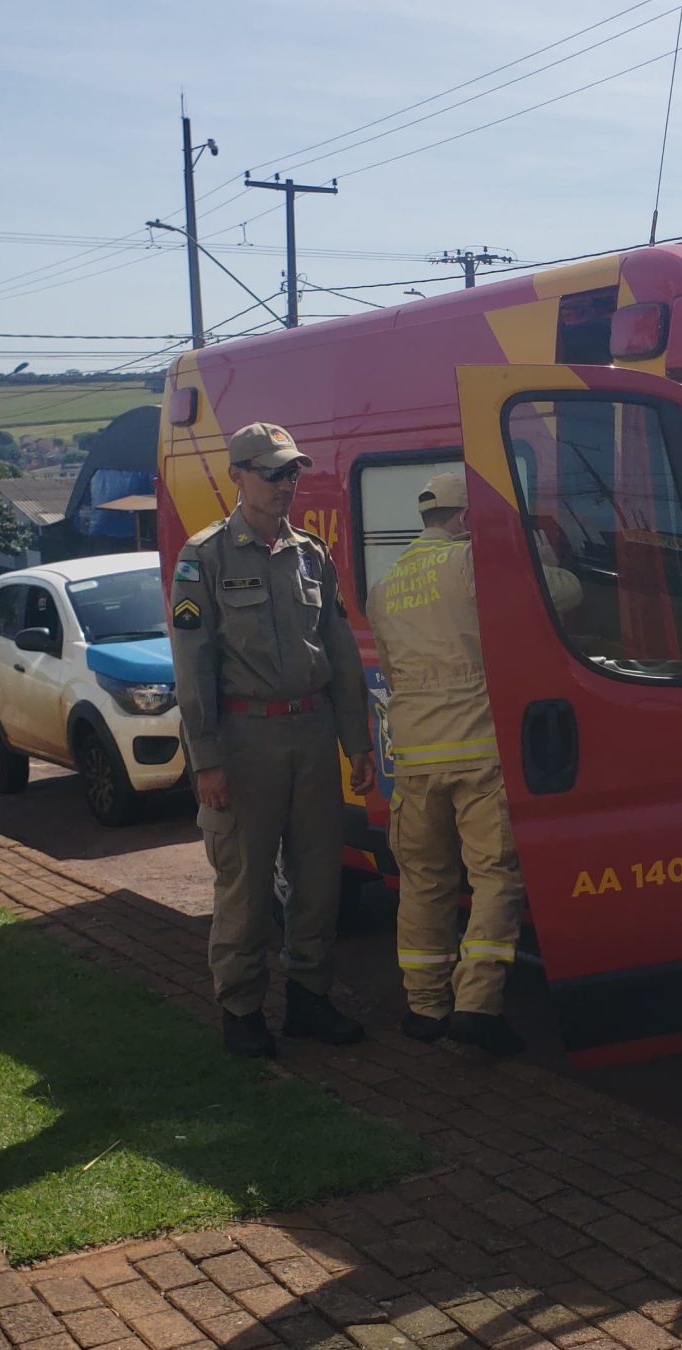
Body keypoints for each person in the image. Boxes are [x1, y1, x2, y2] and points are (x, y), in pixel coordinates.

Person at [169, 421, 375, 1058]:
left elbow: (338, 651)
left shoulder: (310, 553)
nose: (287, 484)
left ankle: (311, 999)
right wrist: (206, 758)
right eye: (272, 472)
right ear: (238, 476)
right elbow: (192, 666)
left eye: (292, 472)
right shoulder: (204, 558)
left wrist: (355, 740)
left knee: (318, 880)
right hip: (244, 737)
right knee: (247, 885)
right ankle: (243, 1010)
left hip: (311, 733)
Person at [364, 470, 539, 1057]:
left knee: (423, 882)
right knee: (494, 879)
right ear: (467, 519)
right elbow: (554, 591)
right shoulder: (472, 566)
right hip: (479, 752)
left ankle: (425, 1007)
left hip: (413, 759)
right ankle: (477, 1007)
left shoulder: (385, 587)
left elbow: (389, 671)